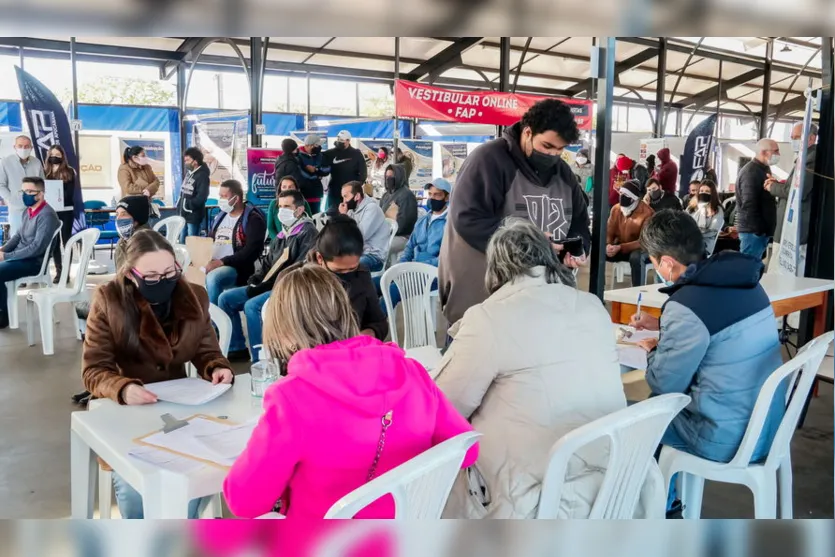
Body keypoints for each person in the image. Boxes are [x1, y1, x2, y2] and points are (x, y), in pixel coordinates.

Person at [436, 219, 663, 519]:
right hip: (618, 485)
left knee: (436, 473)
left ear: (496, 268)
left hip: (537, 501)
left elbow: (445, 407)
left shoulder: (489, 318)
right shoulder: (592, 305)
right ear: (547, 258)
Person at [222, 264, 477, 519]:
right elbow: (466, 451)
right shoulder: (412, 372)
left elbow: (244, 502)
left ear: (286, 333)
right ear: (346, 313)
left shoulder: (290, 399)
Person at [82, 229, 234, 519]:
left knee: (191, 480)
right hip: (123, 411)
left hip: (179, 409)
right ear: (130, 274)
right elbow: (93, 370)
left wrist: (218, 367)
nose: (163, 281)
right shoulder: (109, 300)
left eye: (170, 272)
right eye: (150, 276)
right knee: (135, 491)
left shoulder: (194, 296)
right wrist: (123, 388)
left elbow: (207, 351)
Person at [631, 210, 784, 465]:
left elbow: (665, 384)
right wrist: (662, 328)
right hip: (768, 428)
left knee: (632, 415)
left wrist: (653, 351)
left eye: (654, 262)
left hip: (722, 438)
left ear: (667, 263)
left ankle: (659, 502)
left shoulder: (687, 305)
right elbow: (720, 340)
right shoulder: (748, 283)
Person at [438, 99, 590, 326]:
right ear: (528, 133)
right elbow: (468, 219)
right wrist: (533, 244)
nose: (553, 155)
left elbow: (579, 219)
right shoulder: (488, 160)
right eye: (547, 146)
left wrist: (579, 248)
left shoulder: (563, 173)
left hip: (537, 301)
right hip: (483, 292)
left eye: (560, 150)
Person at [218, 190, 316, 362]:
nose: (281, 210)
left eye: (287, 206)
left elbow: (302, 268)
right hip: (269, 284)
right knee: (226, 298)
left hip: (289, 287)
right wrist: (257, 277)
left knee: (252, 307)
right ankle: (237, 347)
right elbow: (268, 262)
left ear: (299, 210)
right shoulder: (283, 233)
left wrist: (270, 284)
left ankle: (261, 360)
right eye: (280, 206)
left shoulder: (308, 232)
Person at [307, 215, 388, 340]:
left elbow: (379, 322)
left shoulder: (361, 275)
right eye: (338, 270)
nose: (345, 274)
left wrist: (369, 333)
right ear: (320, 259)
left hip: (353, 350)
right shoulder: (304, 283)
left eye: (352, 268)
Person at [377, 178, 450, 316]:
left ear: (447, 197)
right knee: (376, 283)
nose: (432, 198)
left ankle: (376, 329)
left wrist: (415, 267)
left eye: (437, 195)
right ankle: (363, 325)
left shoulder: (451, 223)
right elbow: (410, 246)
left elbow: (445, 259)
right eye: (430, 194)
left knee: (393, 290)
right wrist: (401, 266)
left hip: (435, 274)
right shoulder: (423, 220)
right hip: (414, 269)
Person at [0, 176, 60, 329]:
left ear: (40, 194)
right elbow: (18, 236)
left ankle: (3, 316)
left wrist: (6, 256)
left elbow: (36, 248)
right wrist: (2, 250)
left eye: (30, 191)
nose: (25, 194)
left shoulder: (47, 215)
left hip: (34, 262)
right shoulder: (28, 212)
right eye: (23, 191)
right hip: (22, 257)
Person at [205, 179, 267, 305]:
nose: (220, 199)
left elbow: (251, 251)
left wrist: (222, 262)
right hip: (213, 261)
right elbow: (209, 239)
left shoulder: (252, 219)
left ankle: (216, 321)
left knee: (213, 279)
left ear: (236, 198)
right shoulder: (221, 216)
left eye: (224, 196)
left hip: (235, 267)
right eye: (220, 195)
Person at [767, 122, 818, 273]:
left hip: (795, 229)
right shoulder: (804, 159)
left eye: (797, 137)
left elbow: (797, 192)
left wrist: (772, 187)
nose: (793, 141)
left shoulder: (810, 161)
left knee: (782, 272)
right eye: (792, 137)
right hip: (789, 226)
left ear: (811, 138)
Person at [735, 138, 779, 259]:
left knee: (753, 268)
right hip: (753, 232)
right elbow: (749, 204)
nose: (778, 154)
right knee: (747, 269)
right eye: (776, 151)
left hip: (759, 231)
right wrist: (758, 231)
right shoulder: (751, 172)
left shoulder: (763, 169)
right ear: (764, 152)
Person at [606, 179, 654, 287]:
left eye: (626, 195)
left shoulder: (648, 213)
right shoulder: (616, 209)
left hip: (641, 249)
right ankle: (598, 288)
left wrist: (620, 247)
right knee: (598, 250)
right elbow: (609, 231)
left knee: (636, 257)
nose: (622, 197)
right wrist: (608, 245)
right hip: (620, 247)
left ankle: (636, 292)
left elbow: (644, 241)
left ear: (635, 198)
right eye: (621, 193)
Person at [43, 145, 78, 282]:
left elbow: (70, 194)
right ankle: (59, 271)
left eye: (58, 154)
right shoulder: (45, 171)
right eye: (52, 154)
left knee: (66, 241)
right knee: (54, 243)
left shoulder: (69, 171)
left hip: (66, 211)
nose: (55, 157)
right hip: (51, 212)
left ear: (62, 156)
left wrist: (57, 194)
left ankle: (67, 273)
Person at [339, 180, 389, 272]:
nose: (344, 201)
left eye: (346, 196)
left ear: (357, 196)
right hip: (355, 253)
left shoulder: (372, 209)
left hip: (373, 256)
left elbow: (359, 237)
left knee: (349, 268)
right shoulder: (351, 210)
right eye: (343, 197)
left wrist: (344, 217)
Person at [0, 135, 45, 237]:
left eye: (26, 146)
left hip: (35, 208)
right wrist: (11, 199)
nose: (23, 149)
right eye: (20, 146)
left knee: (34, 238)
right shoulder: (5, 162)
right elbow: (1, 185)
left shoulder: (37, 162)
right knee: (17, 238)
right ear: (14, 147)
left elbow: (43, 183)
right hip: (16, 210)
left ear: (31, 148)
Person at [379, 163, 418, 257]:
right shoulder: (386, 195)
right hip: (387, 234)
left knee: (380, 246)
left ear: (399, 177)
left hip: (403, 236)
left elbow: (404, 224)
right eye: (387, 176)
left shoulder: (406, 195)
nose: (388, 179)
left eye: (392, 176)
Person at [323, 130, 366, 214]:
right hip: (335, 190)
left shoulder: (356, 154)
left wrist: (355, 188)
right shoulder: (330, 153)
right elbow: (323, 170)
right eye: (338, 139)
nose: (340, 142)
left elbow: (363, 173)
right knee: (331, 214)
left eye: (342, 140)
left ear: (348, 141)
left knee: (350, 215)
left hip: (350, 192)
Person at [177, 147, 210, 242]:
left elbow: (202, 196)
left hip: (193, 215)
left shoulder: (202, 176)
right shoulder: (189, 173)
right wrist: (180, 206)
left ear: (195, 161)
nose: (185, 163)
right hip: (183, 214)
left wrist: (189, 205)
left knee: (192, 240)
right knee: (182, 239)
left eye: (187, 160)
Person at [685, 180, 724, 254]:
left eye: (707, 191)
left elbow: (713, 231)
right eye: (701, 191)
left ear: (712, 194)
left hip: (705, 242)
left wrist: (694, 234)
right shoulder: (691, 208)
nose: (703, 193)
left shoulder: (717, 209)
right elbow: (683, 222)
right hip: (688, 239)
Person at [114, 195, 152, 270]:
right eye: (117, 214)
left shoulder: (147, 243)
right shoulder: (122, 241)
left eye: (124, 214)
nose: (118, 219)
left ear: (137, 217)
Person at [296, 134, 330, 214]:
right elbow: (300, 173)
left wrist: (316, 169)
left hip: (316, 193)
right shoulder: (298, 156)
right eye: (317, 145)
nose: (319, 147)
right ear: (310, 145)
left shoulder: (320, 156)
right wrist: (316, 176)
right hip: (302, 193)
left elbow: (327, 169)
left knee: (316, 216)